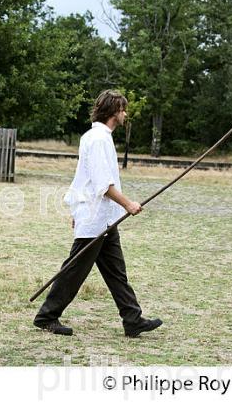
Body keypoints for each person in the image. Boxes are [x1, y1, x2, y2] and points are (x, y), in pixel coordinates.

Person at [33, 90, 162, 338]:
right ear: (114, 112)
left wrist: (78, 209)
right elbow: (103, 184)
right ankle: (46, 316)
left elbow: (85, 179)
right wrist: (128, 205)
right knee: (74, 270)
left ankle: (132, 319)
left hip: (104, 219)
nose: (125, 114)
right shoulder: (98, 139)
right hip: (96, 219)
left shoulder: (95, 137)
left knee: (116, 273)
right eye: (123, 109)